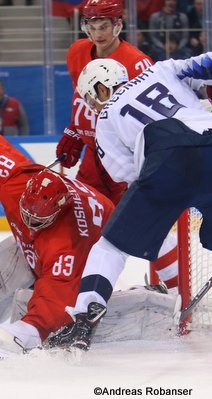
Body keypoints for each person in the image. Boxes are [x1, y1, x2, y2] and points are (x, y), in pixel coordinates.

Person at [48, 53, 212, 352]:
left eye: (91, 98)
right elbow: (207, 63)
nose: (94, 106)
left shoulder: (106, 120)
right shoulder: (162, 70)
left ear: (101, 88)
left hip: (166, 158)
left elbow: (127, 174)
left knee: (110, 247)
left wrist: (169, 191)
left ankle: (86, 317)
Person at [0, 132, 115, 359]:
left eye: (38, 222)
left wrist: (29, 328)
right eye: (26, 214)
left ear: (56, 214)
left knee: (74, 306)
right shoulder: (16, 181)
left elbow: (55, 300)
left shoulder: (65, 245)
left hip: (96, 233)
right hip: (50, 235)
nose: (29, 224)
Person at [57, 0, 153, 205]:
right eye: (91, 28)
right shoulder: (77, 52)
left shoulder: (138, 63)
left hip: (124, 155)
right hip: (93, 153)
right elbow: (83, 97)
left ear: (118, 25)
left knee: (125, 223)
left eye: (104, 27)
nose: (97, 35)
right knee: (84, 213)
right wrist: (76, 130)